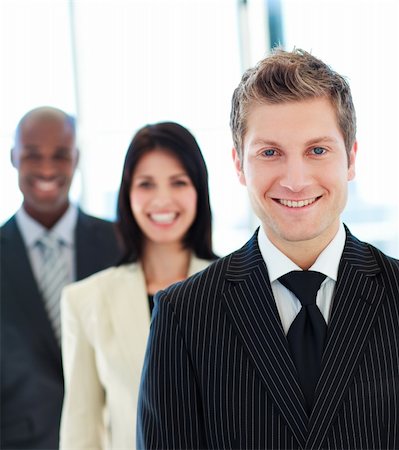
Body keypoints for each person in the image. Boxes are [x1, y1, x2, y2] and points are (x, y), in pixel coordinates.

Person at [137, 49, 399, 450]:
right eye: (270, 153)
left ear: (351, 158)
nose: (295, 180)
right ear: (239, 165)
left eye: (317, 150)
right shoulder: (184, 316)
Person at [59, 121, 218, 449]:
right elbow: (81, 432)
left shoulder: (239, 287)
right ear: (127, 194)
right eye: (146, 184)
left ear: (199, 192)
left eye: (178, 182)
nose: (162, 200)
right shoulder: (87, 300)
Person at [0, 106, 121, 450]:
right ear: (13, 157)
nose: (47, 168)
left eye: (60, 155)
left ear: (77, 158)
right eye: (33, 155)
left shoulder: (120, 243)